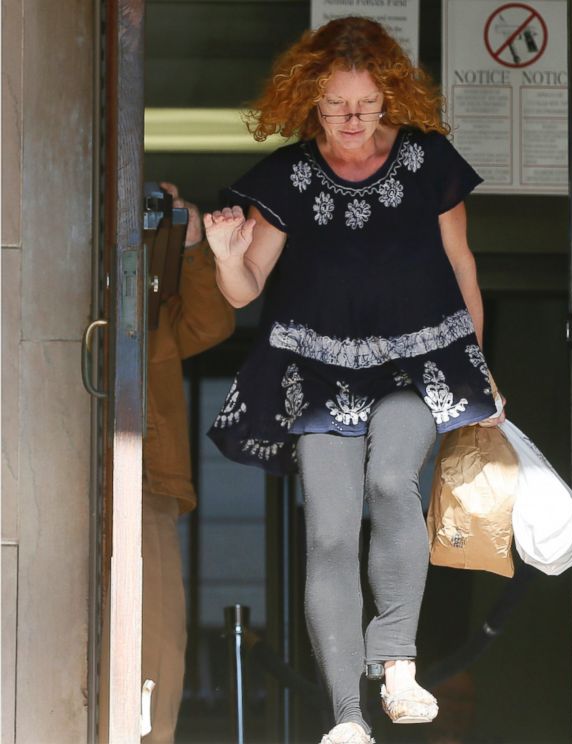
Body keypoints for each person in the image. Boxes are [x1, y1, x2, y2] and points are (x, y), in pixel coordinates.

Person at [202, 17, 504, 744]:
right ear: (309, 99)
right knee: (330, 536)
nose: (351, 119)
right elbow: (245, 291)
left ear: (390, 97)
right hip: (318, 365)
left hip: (419, 360)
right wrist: (222, 252)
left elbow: (462, 265)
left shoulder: (430, 160)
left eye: (366, 103)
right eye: (336, 104)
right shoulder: (288, 175)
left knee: (391, 480)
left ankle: (396, 662)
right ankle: (346, 717)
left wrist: (480, 371)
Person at [143, 183, 236, 742]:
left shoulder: (147, 301)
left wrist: (191, 240)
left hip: (146, 481)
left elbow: (212, 325)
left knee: (158, 643)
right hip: (58, 478)